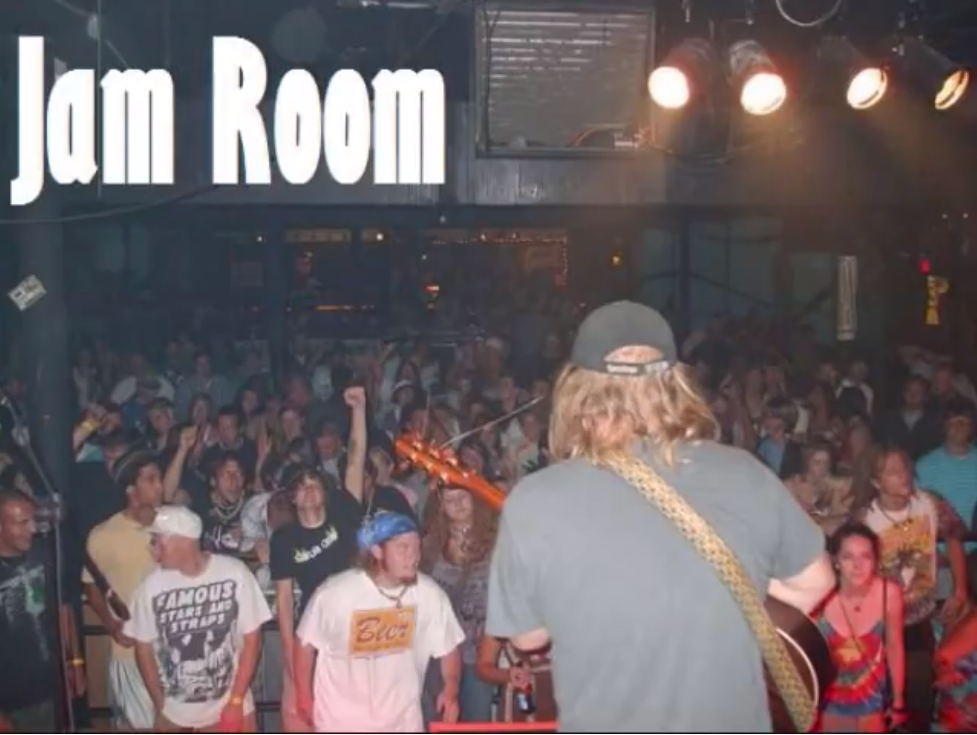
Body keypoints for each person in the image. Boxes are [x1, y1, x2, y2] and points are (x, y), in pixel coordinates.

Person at [486, 301, 835, 732]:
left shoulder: (535, 500)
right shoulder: (745, 472)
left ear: (578, 392)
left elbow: (527, 637)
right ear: (676, 385)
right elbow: (816, 582)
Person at [294, 511, 464, 732]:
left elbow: (449, 648)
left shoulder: (430, 594)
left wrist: (451, 689)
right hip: (340, 722)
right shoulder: (335, 593)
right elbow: (305, 643)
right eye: (403, 547)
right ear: (377, 551)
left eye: (416, 547)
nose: (413, 556)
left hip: (403, 723)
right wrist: (303, 695)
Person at [124, 505, 272, 732]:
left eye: (157, 540)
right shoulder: (150, 585)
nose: (152, 548)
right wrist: (160, 704)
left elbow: (253, 641)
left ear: (181, 541)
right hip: (174, 714)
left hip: (230, 705)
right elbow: (142, 649)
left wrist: (236, 701)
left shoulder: (234, 573)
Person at [82, 448, 163, 732]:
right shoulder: (103, 535)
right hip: (130, 654)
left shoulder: (175, 525)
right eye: (151, 479)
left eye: (159, 478)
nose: (160, 485)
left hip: (174, 650)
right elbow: (91, 585)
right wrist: (110, 623)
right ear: (131, 489)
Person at [0, 489, 84, 731]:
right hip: (11, 697)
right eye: (22, 522)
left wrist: (75, 661)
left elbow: (63, 607)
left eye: (33, 520)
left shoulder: (44, 552)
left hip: (51, 686)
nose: (33, 528)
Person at [818, 523, 906, 733]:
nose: (857, 565)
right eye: (848, 557)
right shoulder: (819, 596)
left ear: (875, 561)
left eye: (865, 556)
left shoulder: (889, 593)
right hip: (828, 703)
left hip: (872, 701)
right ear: (836, 561)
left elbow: (895, 647)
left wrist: (898, 701)